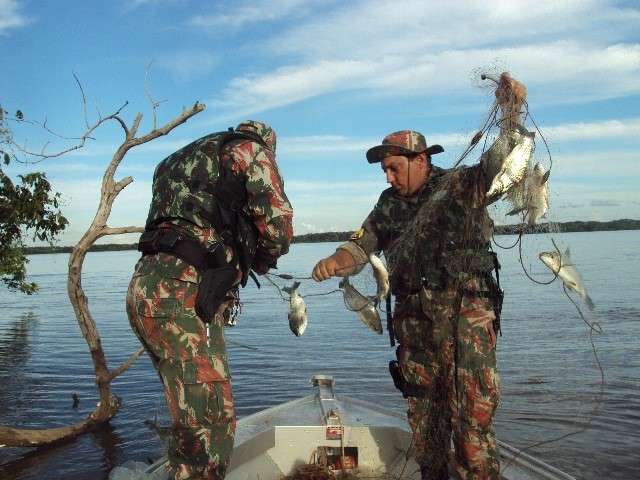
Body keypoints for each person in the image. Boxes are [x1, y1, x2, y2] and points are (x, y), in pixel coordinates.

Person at [312, 73, 527, 480]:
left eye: (394, 168)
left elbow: (501, 165)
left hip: (466, 325)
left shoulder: (463, 186)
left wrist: (511, 114)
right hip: (415, 329)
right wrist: (336, 261)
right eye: (384, 170)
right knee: (425, 426)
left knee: (471, 426)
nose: (388, 177)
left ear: (421, 160)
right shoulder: (386, 204)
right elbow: (361, 246)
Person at [127, 120, 293, 480]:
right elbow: (279, 228)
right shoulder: (249, 150)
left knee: (189, 419)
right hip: (183, 292)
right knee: (211, 426)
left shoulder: (174, 161)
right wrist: (262, 259)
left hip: (144, 287)